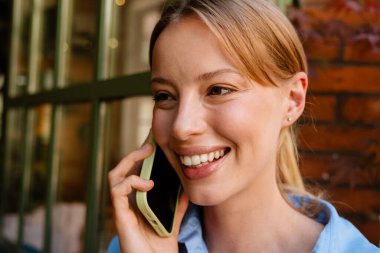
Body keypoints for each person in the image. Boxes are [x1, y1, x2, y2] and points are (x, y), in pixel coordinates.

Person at [107, 0, 380, 252]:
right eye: (164, 96)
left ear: (293, 100)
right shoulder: (134, 245)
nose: (181, 126)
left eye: (218, 90)